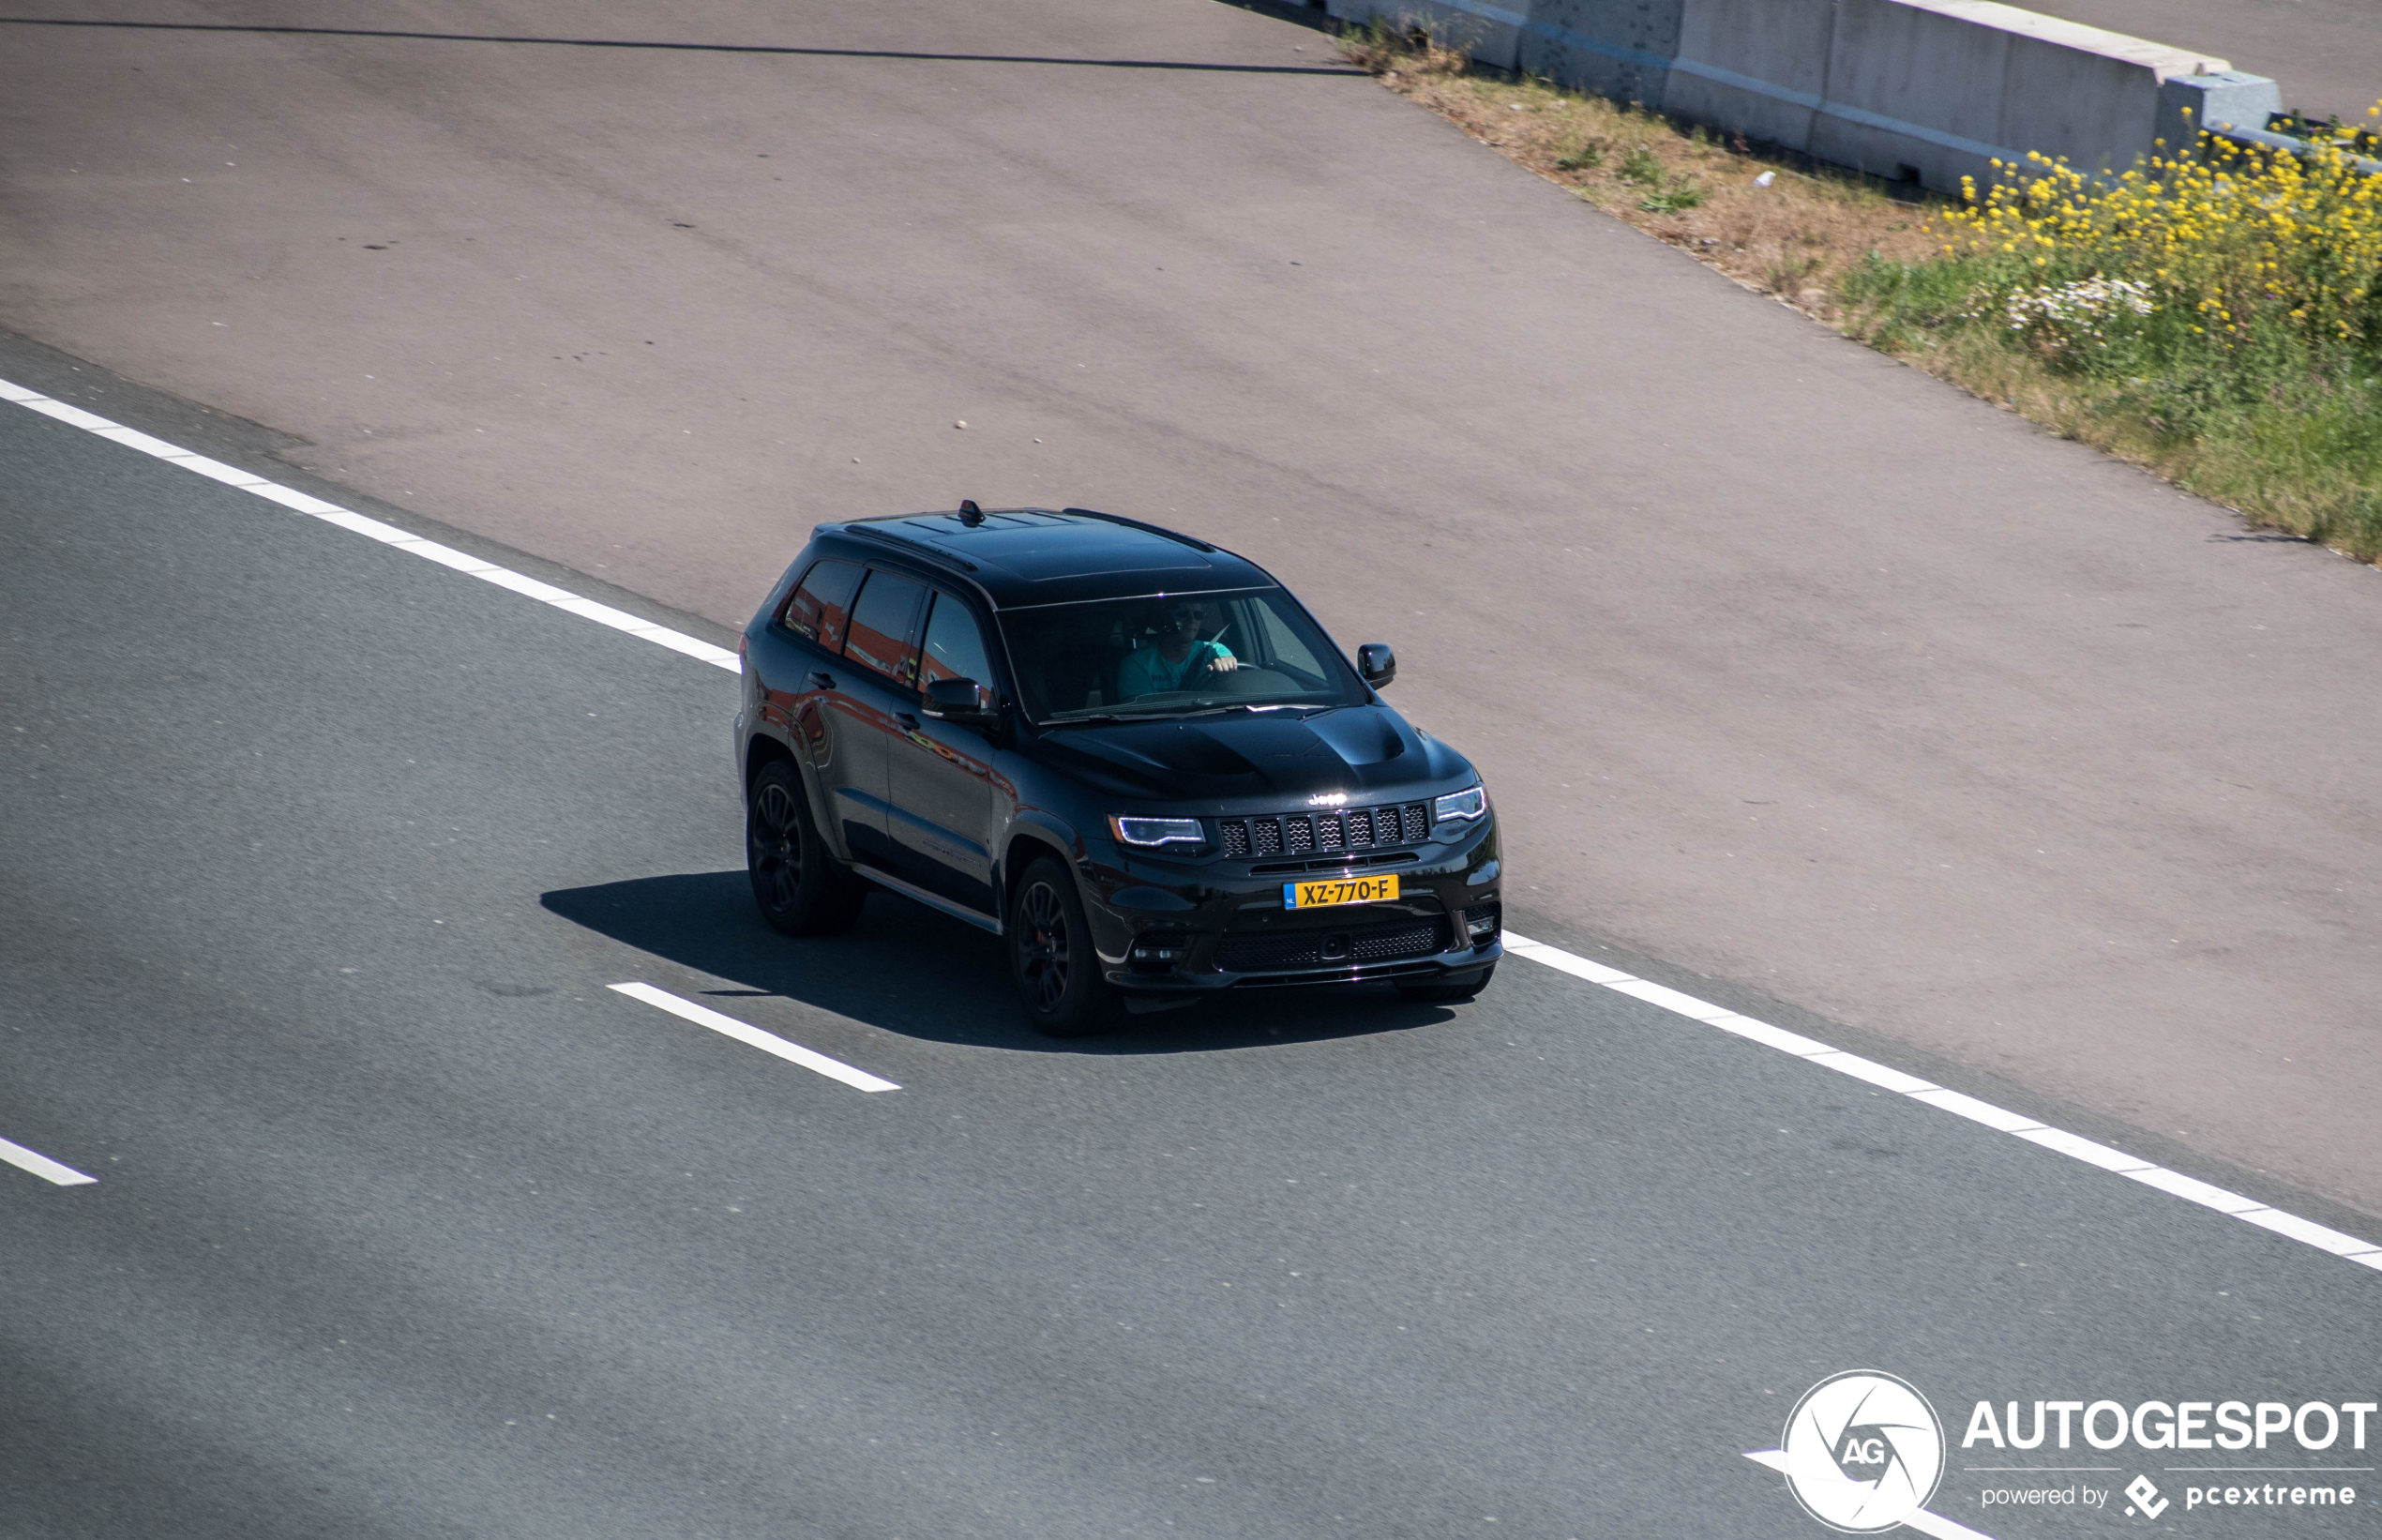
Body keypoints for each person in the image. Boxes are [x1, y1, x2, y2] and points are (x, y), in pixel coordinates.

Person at [1117, 599, 1237, 699]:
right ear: (1164, 619)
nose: (1192, 620)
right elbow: (1141, 715)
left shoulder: (1214, 651)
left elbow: (1226, 663)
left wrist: (1226, 663)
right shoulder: (1137, 664)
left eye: (1198, 615)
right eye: (1183, 614)